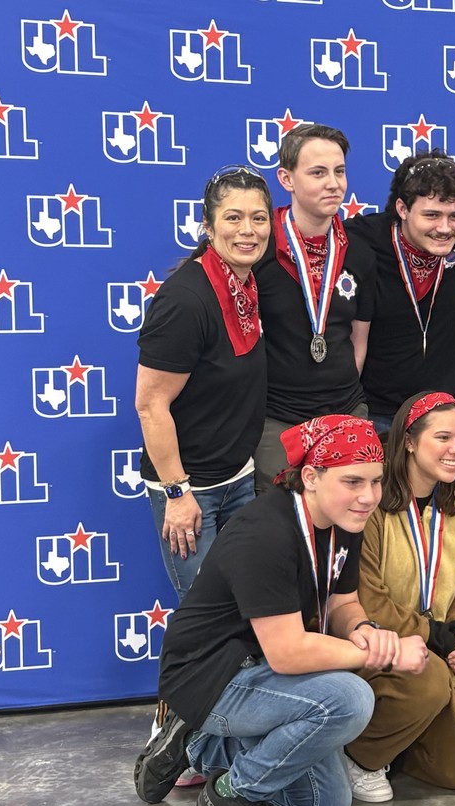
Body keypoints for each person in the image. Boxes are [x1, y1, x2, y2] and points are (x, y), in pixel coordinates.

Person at [134, 415, 429, 806]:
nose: (368, 497)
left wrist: (364, 629)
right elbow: (288, 653)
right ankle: (231, 794)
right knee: (351, 697)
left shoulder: (344, 519)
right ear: (311, 476)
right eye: (353, 481)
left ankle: (200, 745)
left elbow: (341, 602)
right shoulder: (265, 534)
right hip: (211, 676)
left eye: (376, 481)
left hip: (264, 673)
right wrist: (379, 654)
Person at [347, 392, 455, 800]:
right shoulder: (372, 497)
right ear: (410, 441)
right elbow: (368, 598)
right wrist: (441, 640)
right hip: (374, 642)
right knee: (429, 680)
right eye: (443, 438)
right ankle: (359, 757)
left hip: (437, 644)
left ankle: (395, 745)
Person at [136, 164, 271, 600]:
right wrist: (178, 494)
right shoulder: (185, 299)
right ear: (208, 227)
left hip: (239, 478)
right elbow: (150, 404)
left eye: (258, 217)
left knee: (249, 614)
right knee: (208, 623)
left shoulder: (247, 287)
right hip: (191, 491)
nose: (247, 230)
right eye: (233, 217)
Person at [344, 151, 455, 432]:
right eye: (431, 215)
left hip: (441, 412)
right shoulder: (362, 237)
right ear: (402, 208)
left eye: (454, 216)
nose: (444, 228)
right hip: (377, 413)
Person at [251, 124, 377, 493]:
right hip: (277, 418)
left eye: (339, 171)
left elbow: (359, 338)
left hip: (345, 411)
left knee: (350, 527)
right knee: (280, 529)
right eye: (318, 173)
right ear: (286, 178)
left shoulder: (359, 252)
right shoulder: (258, 247)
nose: (334, 183)